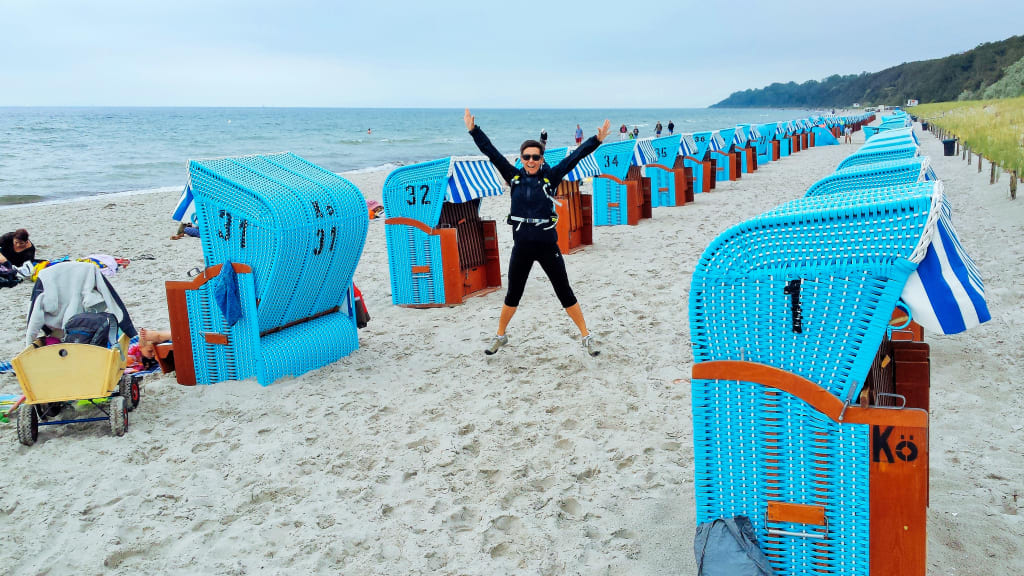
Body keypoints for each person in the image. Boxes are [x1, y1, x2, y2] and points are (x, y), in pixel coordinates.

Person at [464, 108, 610, 357]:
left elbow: (574, 158)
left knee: (564, 291)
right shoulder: (514, 177)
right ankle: (500, 335)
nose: (531, 161)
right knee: (513, 294)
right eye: (526, 157)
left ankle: (586, 336)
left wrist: (596, 140)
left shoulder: (551, 177)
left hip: (547, 247)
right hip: (522, 247)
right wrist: (473, 130)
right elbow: (491, 152)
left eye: (535, 157)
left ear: (542, 159)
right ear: (521, 159)